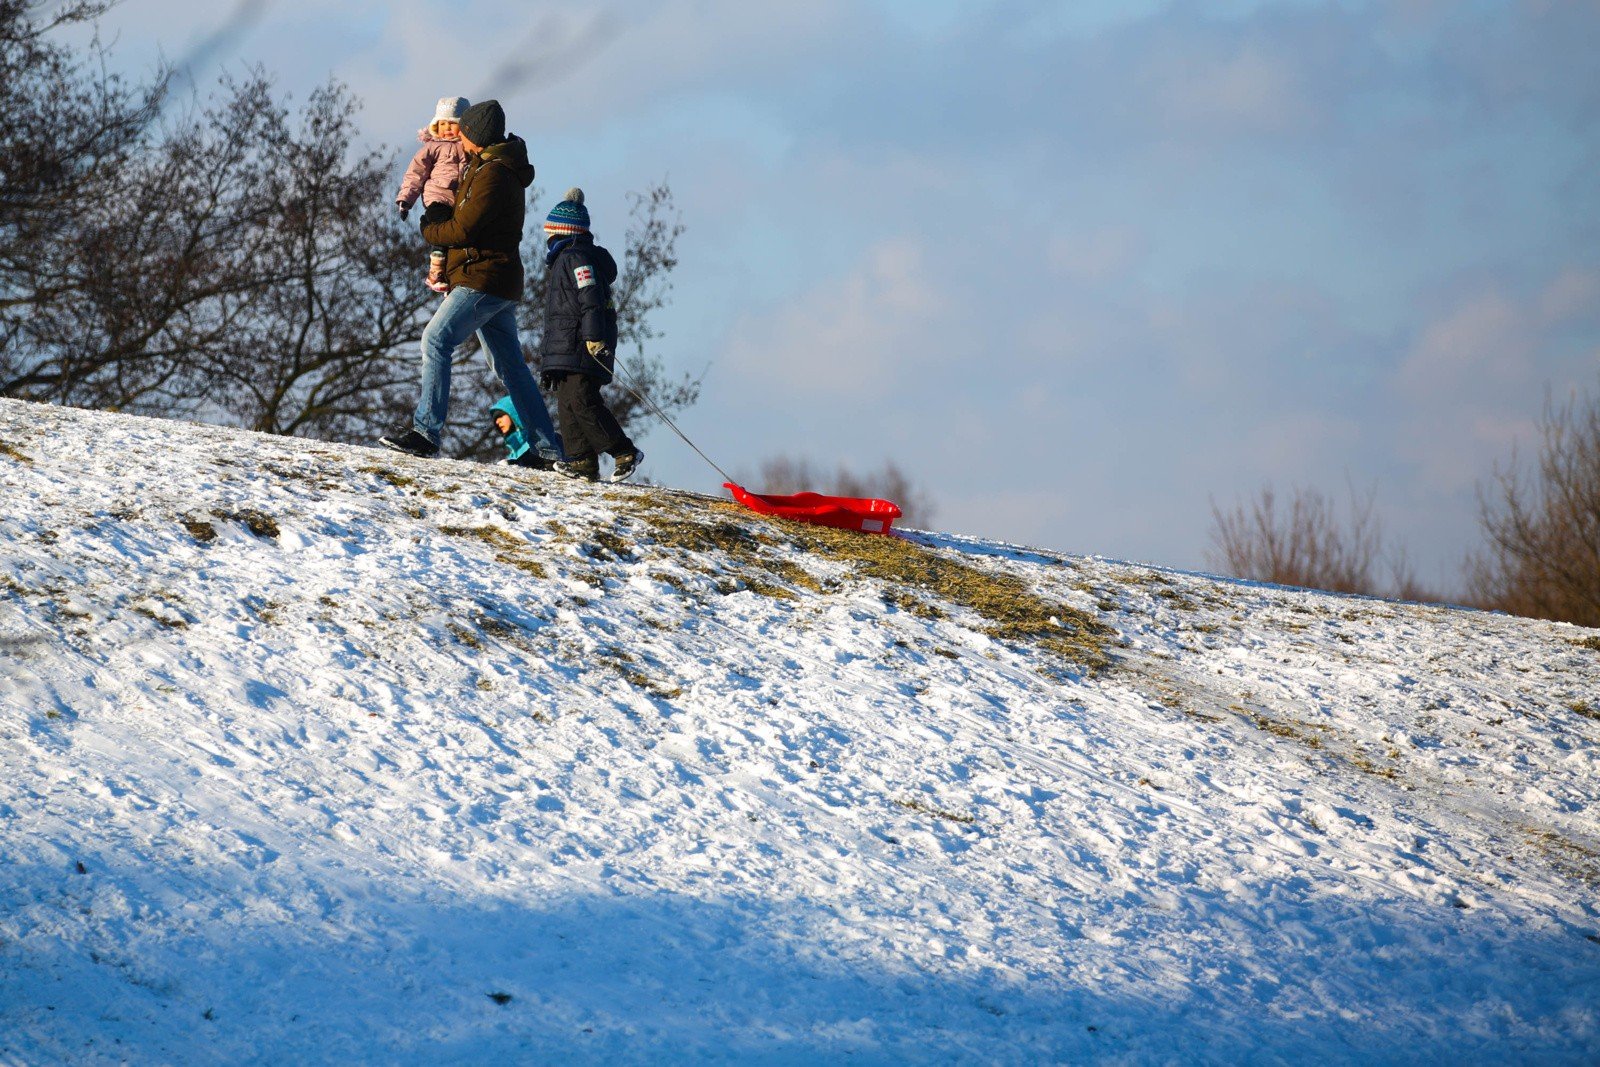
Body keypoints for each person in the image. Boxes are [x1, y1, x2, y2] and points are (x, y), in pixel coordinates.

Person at [379, 100, 562, 464]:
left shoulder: (494, 173)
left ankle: (425, 433)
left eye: (463, 132)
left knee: (435, 339)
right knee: (509, 365)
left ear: (476, 136)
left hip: (484, 277)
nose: (457, 137)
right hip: (493, 278)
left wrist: (430, 226)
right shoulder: (487, 167)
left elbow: (464, 227)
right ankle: (546, 449)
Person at [538, 188, 642, 483]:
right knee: (567, 403)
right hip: (567, 347)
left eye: (549, 232)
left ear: (561, 232)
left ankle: (623, 451)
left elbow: (591, 298)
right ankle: (581, 460)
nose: (546, 238)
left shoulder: (576, 258)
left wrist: (594, 337)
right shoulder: (566, 259)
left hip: (584, 345)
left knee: (582, 400)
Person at [395, 95, 470, 293]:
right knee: (441, 228)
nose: (446, 129)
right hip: (437, 196)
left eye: (451, 124)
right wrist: (406, 200)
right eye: (442, 124)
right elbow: (416, 173)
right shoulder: (432, 147)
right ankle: (435, 270)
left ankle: (452, 272)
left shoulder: (468, 147)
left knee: (458, 233)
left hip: (460, 200)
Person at [489, 395, 552, 469]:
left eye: (500, 416)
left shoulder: (539, 443)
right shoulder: (511, 456)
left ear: (514, 414)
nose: (497, 422)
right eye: (495, 420)